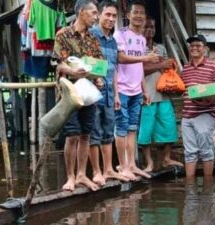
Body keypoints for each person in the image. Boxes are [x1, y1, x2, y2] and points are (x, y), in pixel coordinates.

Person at [52, 0, 101, 191]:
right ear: (81, 12)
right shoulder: (63, 34)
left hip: (88, 92)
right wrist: (74, 72)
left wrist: (98, 78)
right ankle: (70, 177)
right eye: (93, 12)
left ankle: (82, 175)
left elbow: (98, 66)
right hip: (69, 93)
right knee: (72, 135)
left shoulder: (93, 39)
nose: (96, 17)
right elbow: (57, 64)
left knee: (86, 134)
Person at [113, 0, 160, 180]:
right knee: (122, 128)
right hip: (122, 89)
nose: (139, 16)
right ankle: (122, 166)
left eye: (142, 13)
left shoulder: (141, 39)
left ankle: (131, 164)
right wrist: (145, 56)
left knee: (133, 128)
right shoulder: (121, 34)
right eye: (136, 12)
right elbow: (121, 58)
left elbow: (139, 66)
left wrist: (144, 89)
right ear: (128, 15)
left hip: (136, 90)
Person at [88, 0, 128, 185]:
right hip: (94, 91)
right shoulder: (91, 36)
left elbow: (114, 70)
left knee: (107, 131)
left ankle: (109, 169)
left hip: (110, 93)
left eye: (114, 16)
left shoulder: (112, 41)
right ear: (99, 16)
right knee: (94, 131)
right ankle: (97, 172)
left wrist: (117, 94)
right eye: (107, 15)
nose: (111, 19)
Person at [138, 16, 183, 172]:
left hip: (163, 94)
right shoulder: (137, 48)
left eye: (152, 27)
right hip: (146, 95)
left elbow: (165, 68)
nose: (150, 30)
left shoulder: (161, 48)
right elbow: (137, 70)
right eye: (146, 27)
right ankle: (149, 162)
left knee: (169, 126)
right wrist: (160, 64)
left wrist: (168, 66)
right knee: (146, 131)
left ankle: (166, 158)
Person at [180, 34, 215, 177]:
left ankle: (208, 187)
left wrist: (204, 98)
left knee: (206, 151)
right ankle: (190, 187)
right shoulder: (185, 68)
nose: (194, 48)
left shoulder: (213, 67)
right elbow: (183, 90)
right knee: (189, 153)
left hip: (205, 114)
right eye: (192, 45)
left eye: (198, 45)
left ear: (205, 48)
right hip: (187, 115)